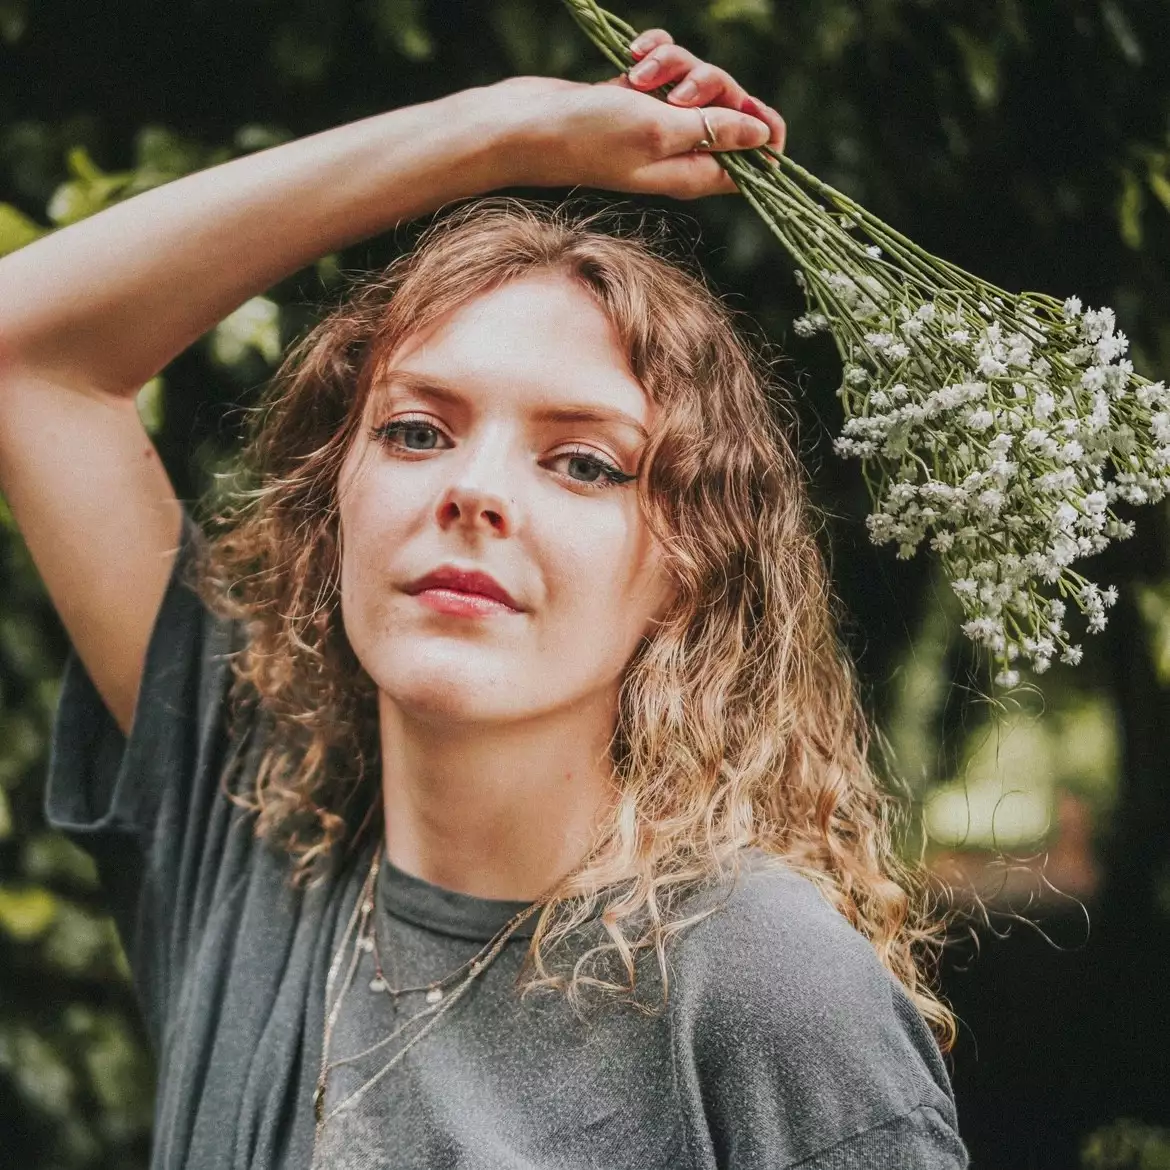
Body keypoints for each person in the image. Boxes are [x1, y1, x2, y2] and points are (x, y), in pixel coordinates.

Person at [0, 24, 970, 1170]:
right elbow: (29, 351)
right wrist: (502, 130)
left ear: (688, 573)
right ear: (333, 508)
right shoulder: (250, 847)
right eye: (417, 431)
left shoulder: (763, 993)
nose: (474, 491)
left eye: (583, 461)